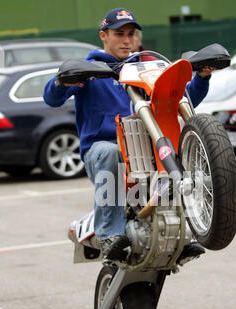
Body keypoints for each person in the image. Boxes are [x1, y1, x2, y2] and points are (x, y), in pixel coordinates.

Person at [43, 7, 215, 261]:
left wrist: (202, 77)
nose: (126, 40)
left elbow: (181, 100)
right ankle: (110, 236)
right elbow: (52, 98)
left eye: (131, 34)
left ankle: (183, 235)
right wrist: (62, 81)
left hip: (144, 148)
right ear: (104, 35)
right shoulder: (89, 68)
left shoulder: (146, 68)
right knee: (110, 152)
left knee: (173, 155)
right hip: (103, 148)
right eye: (119, 33)